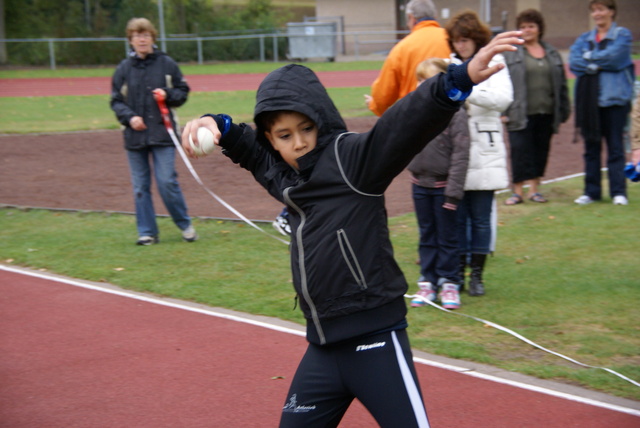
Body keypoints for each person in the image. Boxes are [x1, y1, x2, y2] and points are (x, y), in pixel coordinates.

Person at [182, 32, 523, 428]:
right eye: (285, 136)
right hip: (323, 349)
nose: (299, 143)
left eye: (306, 128)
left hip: (375, 337)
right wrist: (218, 124)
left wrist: (457, 80)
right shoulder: (286, 178)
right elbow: (251, 152)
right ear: (273, 141)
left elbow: (403, 123)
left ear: (320, 122)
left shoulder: (353, 161)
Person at [110, 17, 197, 245]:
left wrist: (168, 94)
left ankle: (184, 224)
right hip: (134, 137)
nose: (142, 39)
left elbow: (183, 91)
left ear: (152, 38)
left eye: (145, 35)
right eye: (137, 35)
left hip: (163, 135)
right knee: (140, 187)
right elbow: (116, 100)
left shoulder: (167, 64)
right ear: (130, 40)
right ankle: (147, 232)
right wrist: (130, 118)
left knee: (167, 181)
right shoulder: (123, 69)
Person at [446, 10, 513, 296]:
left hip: (485, 148)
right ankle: (458, 273)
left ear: (476, 39)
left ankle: (478, 275)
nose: (461, 45)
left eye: (465, 40)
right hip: (455, 151)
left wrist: (467, 89)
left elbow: (504, 99)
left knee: (482, 217)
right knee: (458, 218)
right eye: (456, 41)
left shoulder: (496, 62)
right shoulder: (447, 64)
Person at [408, 58, 470, 310]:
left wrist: (453, 193)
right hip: (419, 186)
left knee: (447, 237)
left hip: (445, 188)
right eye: (420, 80)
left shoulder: (456, 114)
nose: (424, 85)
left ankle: (449, 283)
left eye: (429, 79)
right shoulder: (413, 110)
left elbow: (461, 154)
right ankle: (427, 281)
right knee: (427, 235)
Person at [569, 0, 634, 206]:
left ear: (611, 12)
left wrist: (589, 59)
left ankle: (618, 192)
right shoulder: (584, 39)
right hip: (589, 103)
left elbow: (615, 58)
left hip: (615, 101)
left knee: (615, 147)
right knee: (591, 148)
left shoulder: (622, 36)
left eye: (601, 9)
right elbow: (574, 63)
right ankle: (591, 192)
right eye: (594, 10)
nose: (597, 14)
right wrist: (596, 62)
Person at [503, 9, 571, 205]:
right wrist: (503, 111)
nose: (527, 30)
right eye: (523, 27)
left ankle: (534, 190)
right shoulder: (512, 53)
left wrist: (564, 109)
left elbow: (562, 84)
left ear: (539, 29)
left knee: (540, 151)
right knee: (519, 150)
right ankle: (517, 192)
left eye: (531, 26)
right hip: (519, 112)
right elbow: (503, 82)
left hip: (546, 112)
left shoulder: (551, 53)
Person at [365, 0, 451, 116]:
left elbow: (383, 95)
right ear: (434, 16)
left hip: (415, 115)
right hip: (449, 111)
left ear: (411, 18)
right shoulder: (452, 40)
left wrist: (373, 105)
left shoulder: (402, 48)